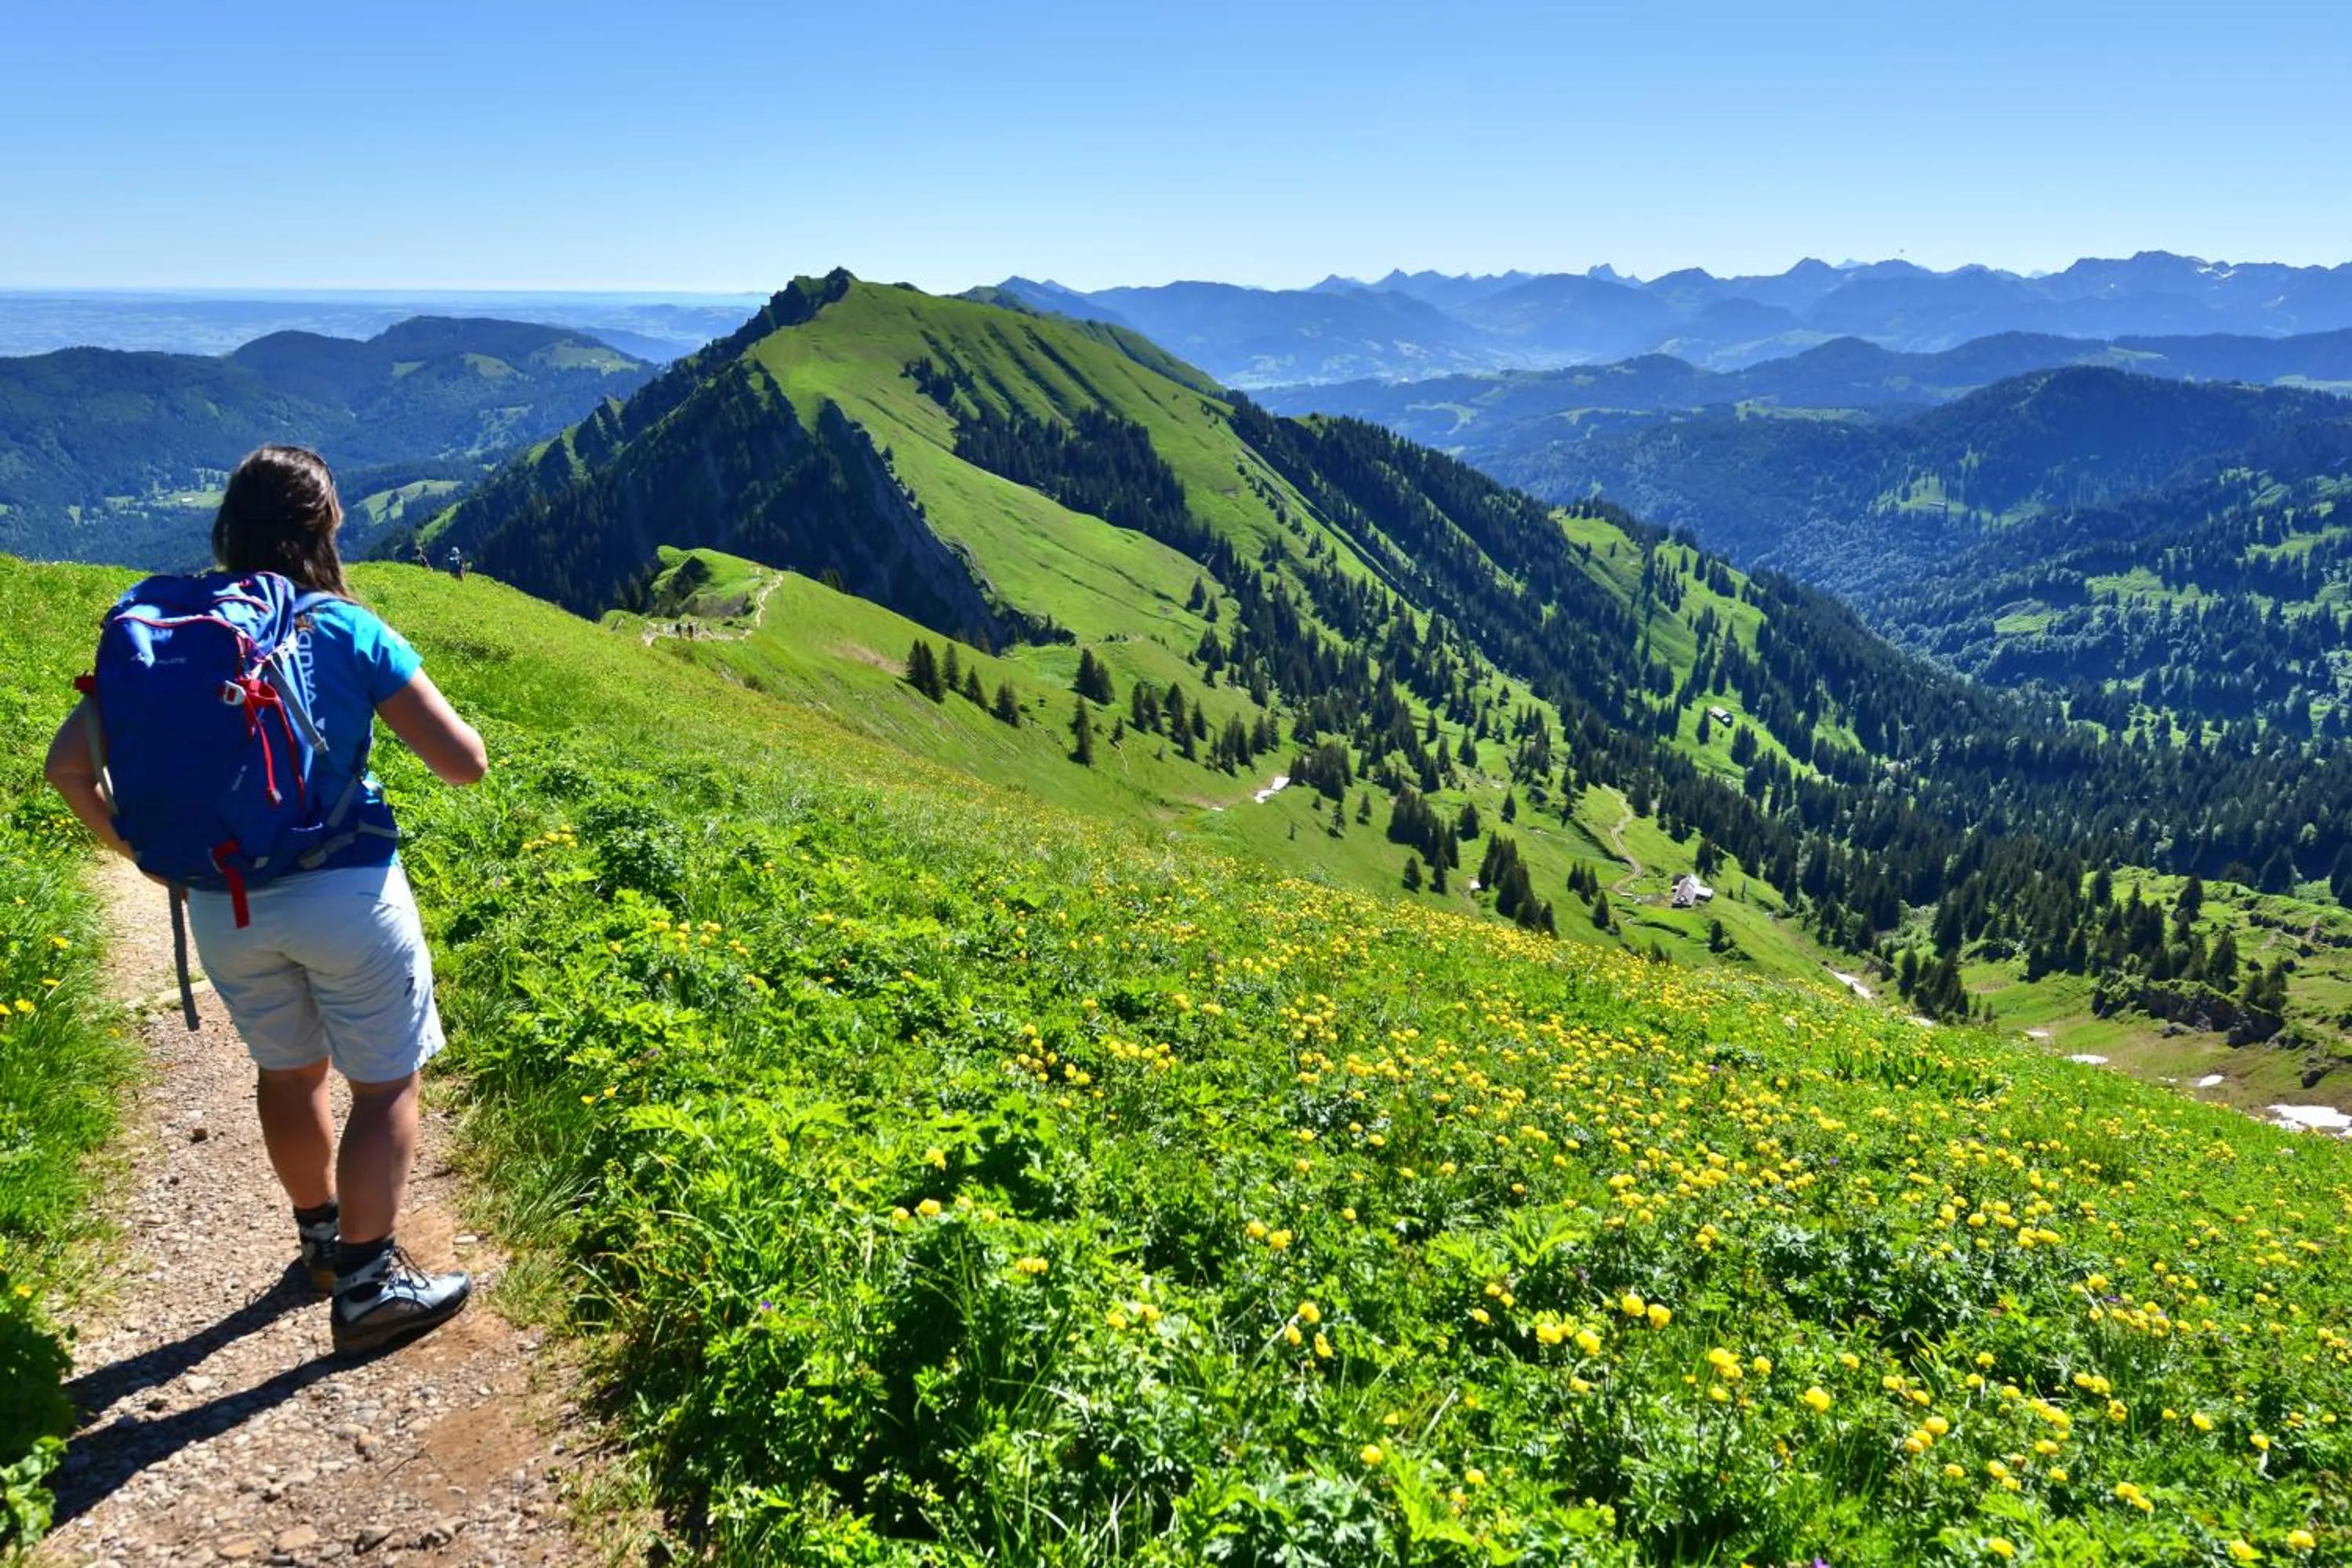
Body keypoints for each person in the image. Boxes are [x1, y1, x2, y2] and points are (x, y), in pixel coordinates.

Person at [44, 445, 489, 1356]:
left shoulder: (166, 633)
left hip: (225, 902)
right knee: (384, 1083)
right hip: (348, 890)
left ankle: (322, 1241)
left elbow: (66, 768)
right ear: (324, 528)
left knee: (288, 1074)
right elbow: (462, 763)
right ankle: (369, 1286)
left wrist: (143, 857)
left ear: (228, 528)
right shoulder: (343, 625)